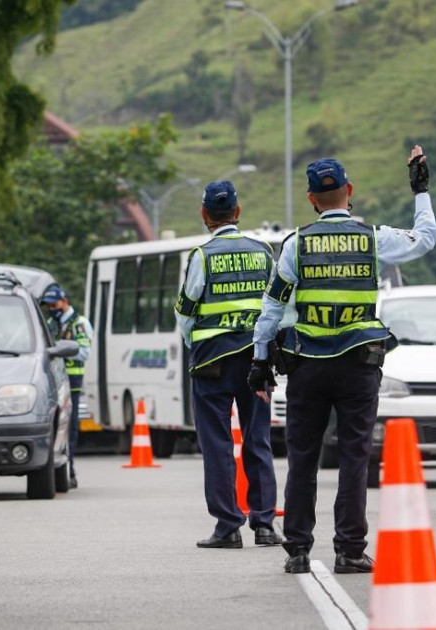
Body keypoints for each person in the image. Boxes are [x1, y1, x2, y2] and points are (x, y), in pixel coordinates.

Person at [248, 147, 436, 575]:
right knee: (354, 456)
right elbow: (425, 239)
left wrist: (260, 360)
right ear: (349, 192)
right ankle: (350, 550)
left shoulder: (295, 245)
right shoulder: (373, 239)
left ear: (312, 199)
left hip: (307, 366)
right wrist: (420, 189)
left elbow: (271, 308)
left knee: (303, 458)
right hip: (357, 367)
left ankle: (297, 549)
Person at [174, 181, 283, 550]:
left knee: (218, 444)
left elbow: (186, 313)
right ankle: (265, 524)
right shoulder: (264, 251)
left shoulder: (201, 257)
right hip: (256, 360)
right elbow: (275, 306)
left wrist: (197, 346)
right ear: (237, 213)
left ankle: (227, 526)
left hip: (211, 363)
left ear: (205, 215)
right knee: (258, 440)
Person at [41, 284, 92, 489]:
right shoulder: (50, 323)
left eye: (54, 304)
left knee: (70, 429)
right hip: (54, 381)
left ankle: (70, 471)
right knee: (56, 428)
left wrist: (59, 347)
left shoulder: (79, 324)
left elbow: (84, 352)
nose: (52, 308)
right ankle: (57, 469)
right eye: (49, 305)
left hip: (72, 382)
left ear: (64, 301)